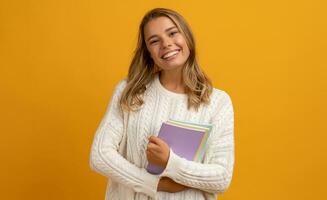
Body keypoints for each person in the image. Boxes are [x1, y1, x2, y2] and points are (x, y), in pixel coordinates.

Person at [89, 7, 234, 200]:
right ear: (148, 52)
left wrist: (171, 162)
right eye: (154, 41)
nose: (166, 44)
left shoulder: (217, 102)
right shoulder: (130, 92)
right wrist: (152, 184)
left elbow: (221, 178)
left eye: (173, 33)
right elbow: (100, 155)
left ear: (187, 38)